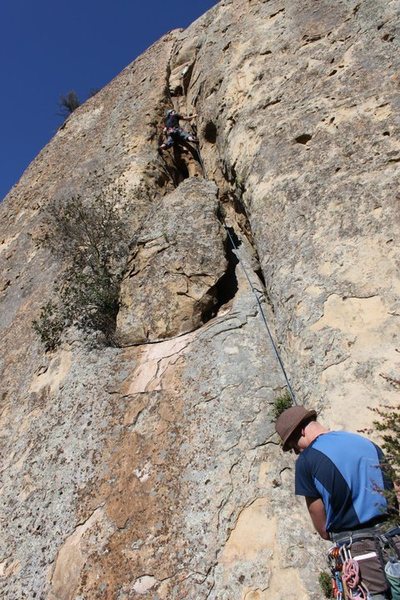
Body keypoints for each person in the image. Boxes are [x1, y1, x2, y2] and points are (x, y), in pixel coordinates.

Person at [275, 405, 400, 599]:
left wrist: (327, 533)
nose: (296, 453)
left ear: (301, 430)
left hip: (359, 553)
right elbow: (394, 488)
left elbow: (318, 514)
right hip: (395, 539)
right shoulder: (365, 442)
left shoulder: (306, 461)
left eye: (293, 446)